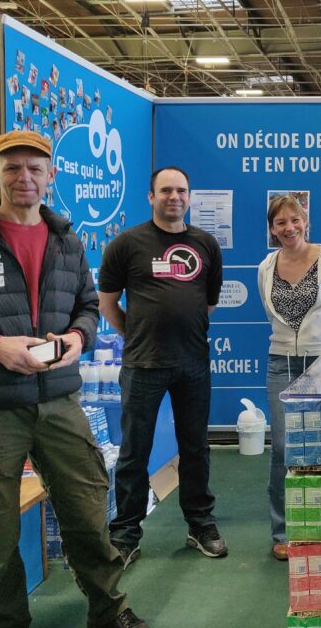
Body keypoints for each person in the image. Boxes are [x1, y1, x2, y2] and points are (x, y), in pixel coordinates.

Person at [0, 130, 146, 628]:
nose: (24, 178)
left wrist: (78, 338)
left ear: (51, 175)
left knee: (87, 513)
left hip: (58, 402)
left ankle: (109, 610)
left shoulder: (66, 240)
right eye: (12, 167)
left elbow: (86, 308)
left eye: (35, 168)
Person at [98, 167, 227, 568]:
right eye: (166, 190)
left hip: (193, 364)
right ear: (151, 197)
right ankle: (125, 534)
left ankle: (200, 525)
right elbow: (107, 303)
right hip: (143, 365)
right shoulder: (126, 244)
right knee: (134, 451)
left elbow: (208, 303)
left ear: (189, 196)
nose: (175, 196)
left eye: (181, 190)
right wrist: (137, 334)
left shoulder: (206, 244)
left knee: (196, 448)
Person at [258, 195, 321, 560]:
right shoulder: (266, 266)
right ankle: (283, 532)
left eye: (294, 220)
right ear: (272, 229)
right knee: (283, 447)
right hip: (281, 361)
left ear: (305, 222)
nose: (289, 228)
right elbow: (271, 314)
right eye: (280, 222)